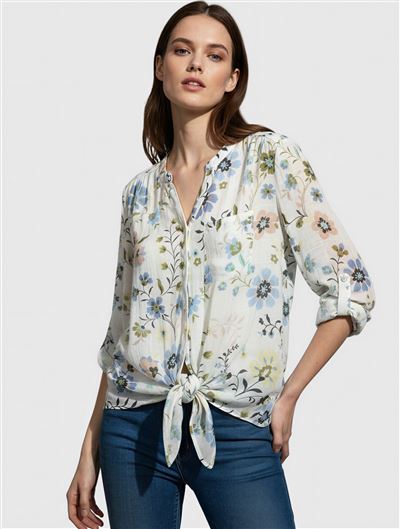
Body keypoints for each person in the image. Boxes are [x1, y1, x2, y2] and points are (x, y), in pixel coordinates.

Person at [66, 2, 376, 528]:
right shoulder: (138, 194)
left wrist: (289, 395)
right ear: (160, 66)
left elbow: (351, 286)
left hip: (236, 428)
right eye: (182, 51)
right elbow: (120, 334)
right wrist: (88, 447)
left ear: (232, 79)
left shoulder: (271, 160)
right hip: (132, 431)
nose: (196, 64)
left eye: (214, 56)